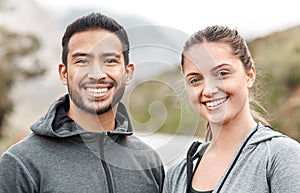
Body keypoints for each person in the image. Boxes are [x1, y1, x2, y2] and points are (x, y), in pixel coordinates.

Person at [0, 12, 164, 193]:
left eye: (110, 61)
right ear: (64, 74)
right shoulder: (21, 163)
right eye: (82, 61)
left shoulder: (149, 161)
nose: (96, 74)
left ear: (128, 73)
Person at [163, 25, 300, 193]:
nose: (208, 90)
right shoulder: (177, 175)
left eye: (222, 74)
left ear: (249, 75)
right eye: (196, 80)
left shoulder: (281, 156)